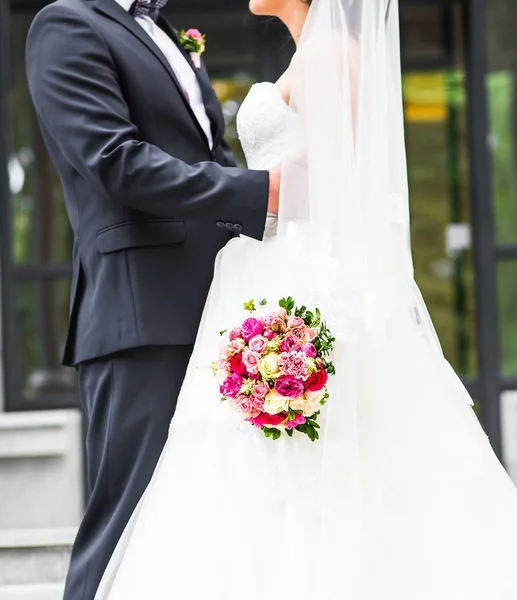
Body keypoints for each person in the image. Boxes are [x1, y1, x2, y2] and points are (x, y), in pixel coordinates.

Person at [90, 0, 517, 598]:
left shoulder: (334, 56)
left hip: (305, 284)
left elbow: (346, 193)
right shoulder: (306, 55)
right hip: (264, 272)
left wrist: (309, 310)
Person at [25, 0, 281, 598]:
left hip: (218, 309)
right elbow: (113, 160)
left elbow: (206, 157)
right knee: (125, 523)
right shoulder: (66, 25)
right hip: (140, 315)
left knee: (199, 525)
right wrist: (258, 192)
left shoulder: (167, 32)